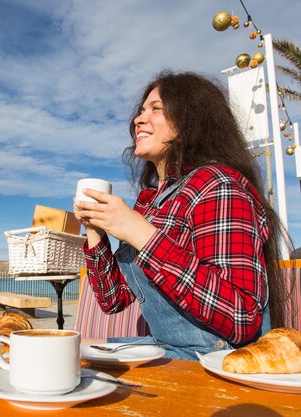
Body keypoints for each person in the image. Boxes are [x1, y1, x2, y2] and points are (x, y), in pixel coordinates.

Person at [73, 70, 290, 360]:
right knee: (66, 348)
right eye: (140, 111)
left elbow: (240, 316)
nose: (138, 119)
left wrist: (142, 235)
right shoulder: (151, 203)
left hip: (217, 361)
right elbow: (114, 299)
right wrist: (95, 228)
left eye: (156, 109)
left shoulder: (217, 185)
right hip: (168, 349)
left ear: (191, 121)